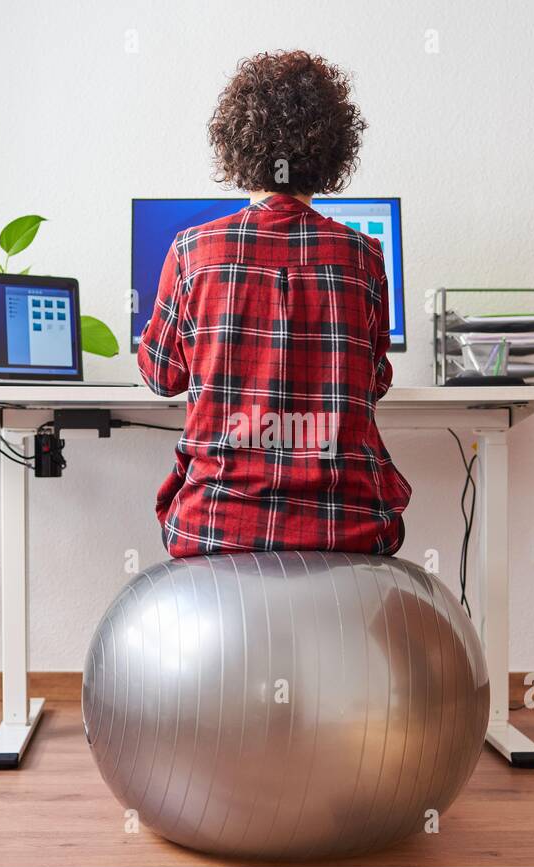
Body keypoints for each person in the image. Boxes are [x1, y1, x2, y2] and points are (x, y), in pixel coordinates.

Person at [138, 50, 410, 558]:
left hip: (214, 525)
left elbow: (161, 377)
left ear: (236, 149)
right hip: (347, 529)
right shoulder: (364, 256)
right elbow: (374, 381)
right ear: (332, 154)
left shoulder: (192, 251)